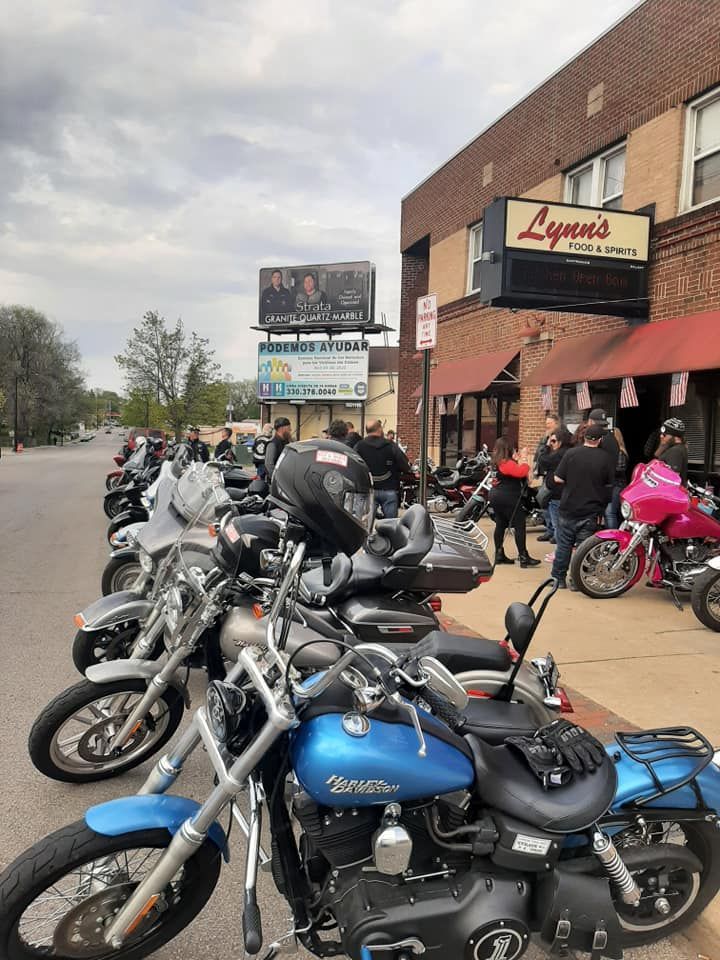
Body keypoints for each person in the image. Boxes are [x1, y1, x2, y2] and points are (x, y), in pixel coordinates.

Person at [551, 423, 613, 589]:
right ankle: (577, 581)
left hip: (568, 507)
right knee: (583, 548)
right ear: (599, 440)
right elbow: (609, 486)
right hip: (591, 510)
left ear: (585, 437)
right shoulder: (605, 458)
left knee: (563, 546)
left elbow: (557, 478)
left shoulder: (571, 453)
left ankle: (558, 579)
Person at [488, 437, 540, 567]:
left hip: (495, 495)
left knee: (500, 523)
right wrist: (524, 459)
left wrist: (517, 460)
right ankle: (523, 556)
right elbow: (521, 472)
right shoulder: (506, 463)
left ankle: (499, 554)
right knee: (519, 525)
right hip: (508, 496)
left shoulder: (495, 462)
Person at [355, 419, 411, 519]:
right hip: (389, 489)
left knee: (365, 524)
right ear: (380, 429)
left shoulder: (359, 446)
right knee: (390, 525)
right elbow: (405, 466)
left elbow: (354, 465)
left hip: (367, 490)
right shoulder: (391, 446)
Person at [537, 426, 573, 547]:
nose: (551, 444)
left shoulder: (560, 454)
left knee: (559, 525)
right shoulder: (570, 451)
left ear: (561, 441)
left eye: (553, 441)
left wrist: (546, 446)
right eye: (550, 441)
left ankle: (559, 552)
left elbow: (542, 460)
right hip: (566, 494)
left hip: (558, 494)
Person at [534, 413, 561, 542]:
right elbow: (539, 453)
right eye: (546, 423)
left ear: (556, 423)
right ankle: (550, 529)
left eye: (549, 423)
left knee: (546, 499)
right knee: (544, 501)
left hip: (554, 474)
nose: (547, 426)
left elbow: (552, 455)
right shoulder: (546, 437)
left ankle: (555, 531)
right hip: (545, 472)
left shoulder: (560, 437)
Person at [655, 417, 688, 483]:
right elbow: (656, 455)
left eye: (665, 435)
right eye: (661, 434)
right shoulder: (673, 448)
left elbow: (673, 479)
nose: (661, 436)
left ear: (676, 437)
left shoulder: (676, 451)